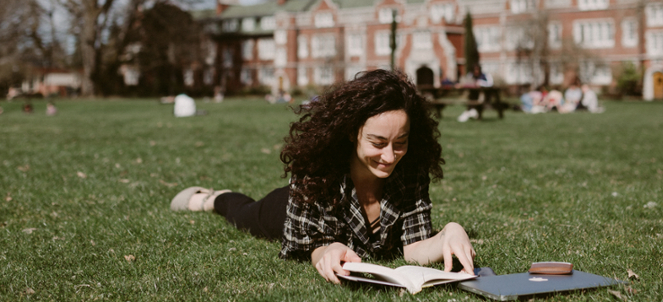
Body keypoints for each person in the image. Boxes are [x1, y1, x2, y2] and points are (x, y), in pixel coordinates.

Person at [170, 69, 475, 285]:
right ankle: (212, 199)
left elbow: (414, 248)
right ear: (351, 132)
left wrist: (449, 232)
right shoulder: (317, 171)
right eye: (378, 143)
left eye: (401, 142)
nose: (390, 156)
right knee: (244, 213)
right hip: (288, 209)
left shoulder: (411, 168)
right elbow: (314, 245)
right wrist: (327, 250)